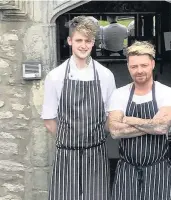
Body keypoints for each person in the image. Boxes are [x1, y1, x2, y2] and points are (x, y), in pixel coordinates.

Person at [42, 16, 116, 200]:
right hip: (66, 154)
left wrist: (94, 139)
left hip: (96, 153)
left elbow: (111, 117)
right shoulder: (55, 76)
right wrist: (70, 142)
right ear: (70, 41)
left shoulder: (105, 75)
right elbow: (49, 120)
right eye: (79, 40)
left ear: (93, 43)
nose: (83, 45)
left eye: (88, 41)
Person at [107, 41, 171, 200]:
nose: (139, 70)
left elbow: (162, 126)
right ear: (128, 67)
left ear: (152, 64)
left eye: (144, 65)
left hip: (158, 170)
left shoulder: (166, 92)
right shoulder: (120, 94)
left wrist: (129, 119)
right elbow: (116, 131)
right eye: (134, 66)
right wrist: (151, 124)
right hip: (127, 170)